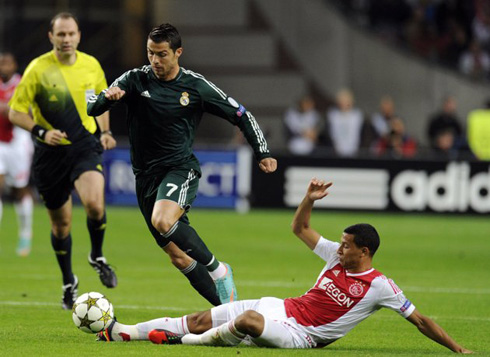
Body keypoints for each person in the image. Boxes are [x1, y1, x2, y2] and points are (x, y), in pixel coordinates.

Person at [96, 179, 472, 354]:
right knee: (201, 316)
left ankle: (182, 343)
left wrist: (457, 350)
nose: (338, 248)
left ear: (365, 251)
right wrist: (309, 199)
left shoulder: (379, 287)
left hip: (303, 336)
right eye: (339, 244)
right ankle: (122, 331)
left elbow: (420, 320)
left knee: (247, 324)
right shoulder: (334, 257)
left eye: (346, 245)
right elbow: (300, 227)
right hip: (282, 308)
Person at [87, 23, 277, 306]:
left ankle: (219, 270)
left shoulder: (196, 86)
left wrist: (262, 152)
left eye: (162, 54)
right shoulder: (135, 79)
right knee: (178, 256)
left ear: (178, 52)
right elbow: (93, 108)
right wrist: (107, 99)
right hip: (145, 178)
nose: (155, 61)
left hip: (179, 168)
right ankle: (231, 313)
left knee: (163, 220)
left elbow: (241, 114)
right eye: (150, 53)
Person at [8, 12, 118, 309]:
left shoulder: (91, 65)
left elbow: (101, 101)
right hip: (50, 153)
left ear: (79, 35)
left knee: (95, 205)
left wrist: (106, 131)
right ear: (51, 37)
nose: (66, 39)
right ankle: (69, 280)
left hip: (84, 146)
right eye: (61, 34)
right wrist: (41, 131)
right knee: (62, 226)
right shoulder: (38, 70)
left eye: (71, 34)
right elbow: (15, 112)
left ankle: (97, 255)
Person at [0, 52, 34, 256]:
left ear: (14, 65)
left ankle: (25, 233)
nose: (3, 66)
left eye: (6, 63)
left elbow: (30, 111)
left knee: (19, 190)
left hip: (18, 143)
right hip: (0, 142)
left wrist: (9, 109)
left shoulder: (23, 84)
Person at [326, 89, 364, 157]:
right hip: (337, 152)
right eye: (342, 101)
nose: (344, 103)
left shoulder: (357, 116)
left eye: (346, 101)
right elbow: (332, 134)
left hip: (353, 152)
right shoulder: (333, 115)